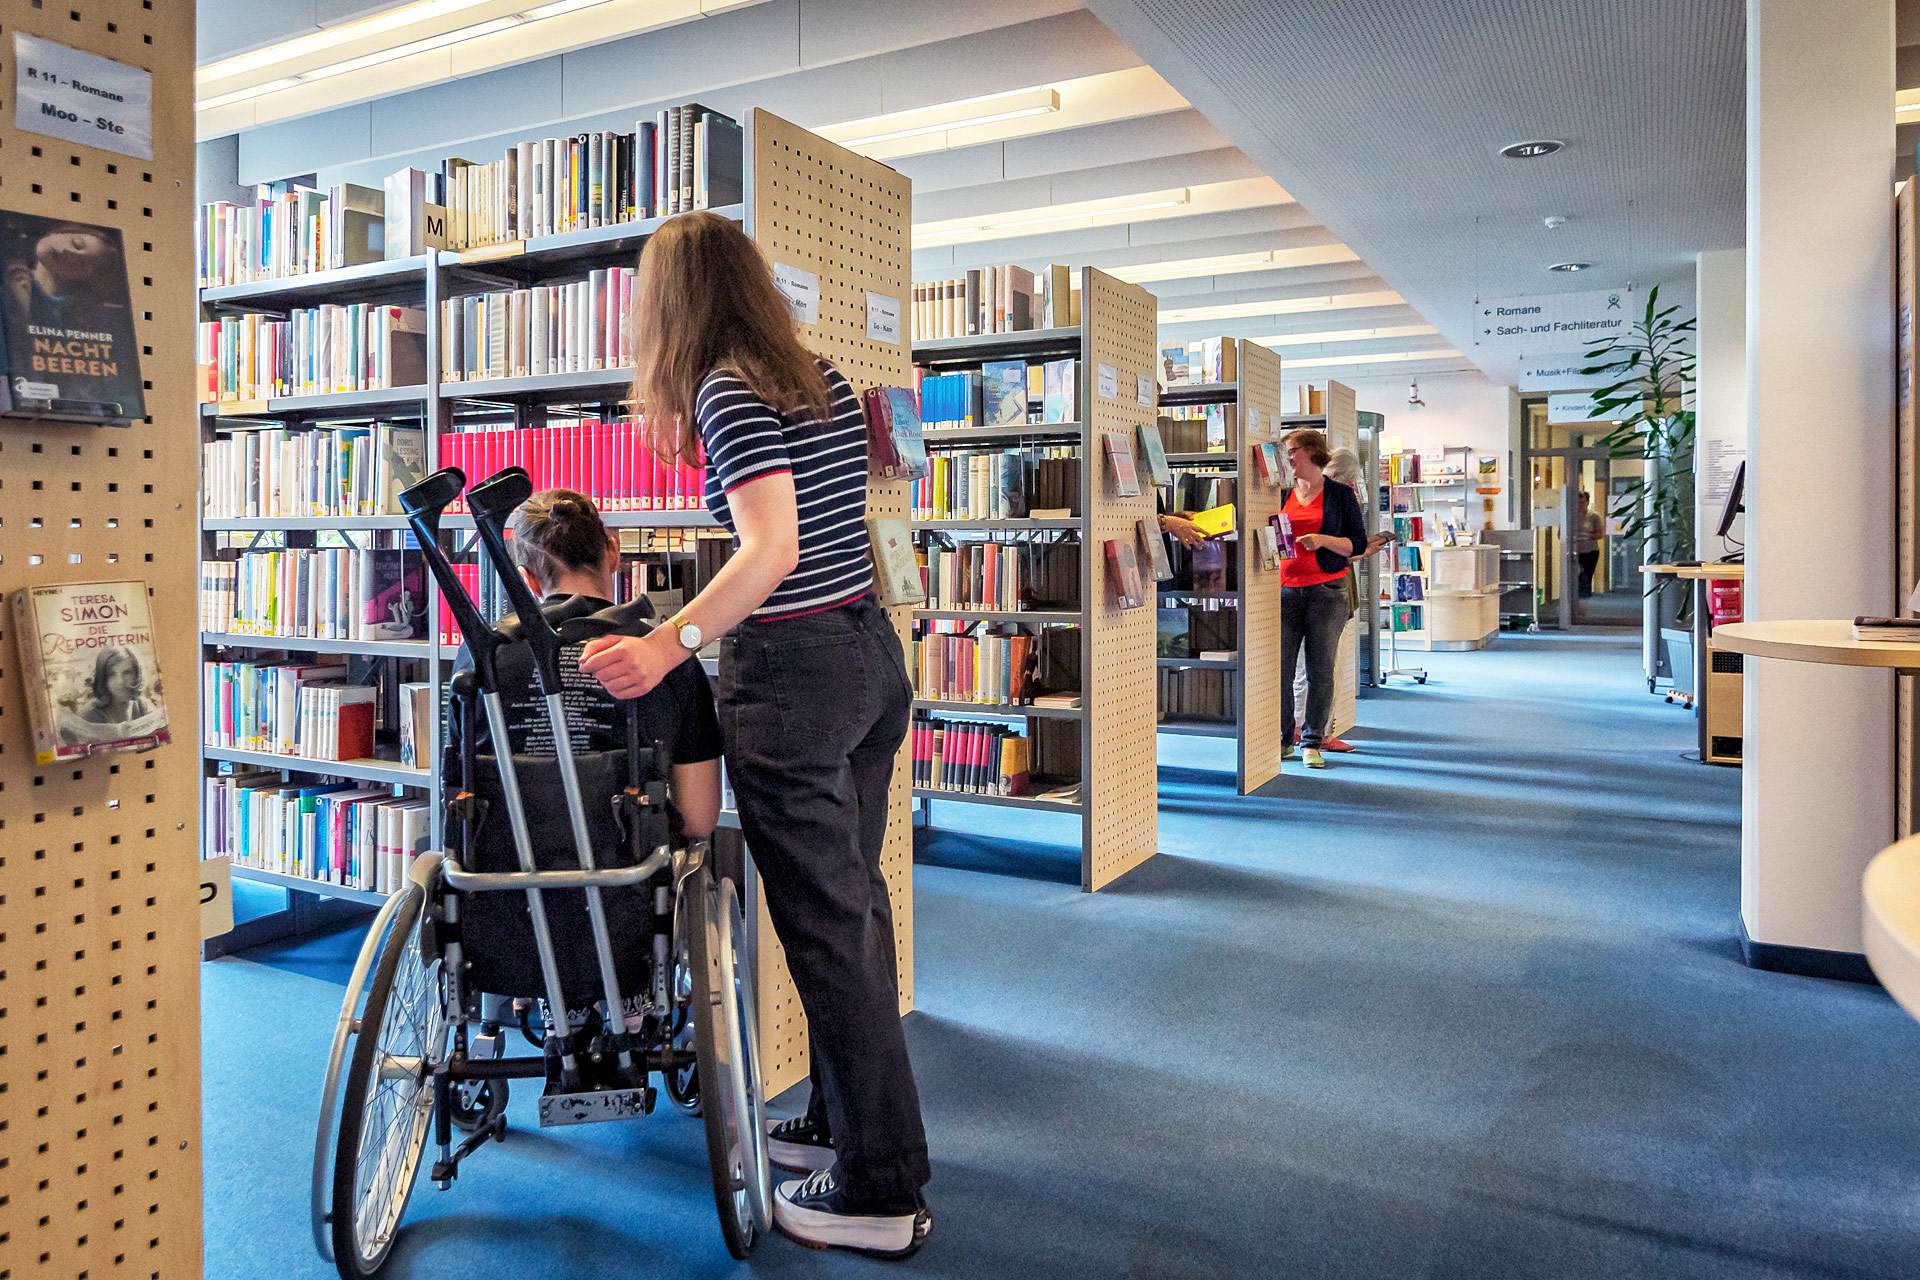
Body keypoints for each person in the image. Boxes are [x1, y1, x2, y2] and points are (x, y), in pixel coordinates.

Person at [576, 211, 930, 1257]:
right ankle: (838, 1117)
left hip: (797, 676)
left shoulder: (725, 389)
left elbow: (770, 547)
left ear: (672, 301)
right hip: (866, 655)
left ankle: (880, 1182)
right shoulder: (808, 370)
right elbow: (827, 533)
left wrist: (669, 645)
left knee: (829, 924)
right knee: (851, 905)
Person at [457, 487, 721, 837]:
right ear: (613, 552)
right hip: (630, 880)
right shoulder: (667, 657)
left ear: (528, 579)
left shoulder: (481, 653)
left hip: (499, 879)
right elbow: (697, 818)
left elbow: (460, 785)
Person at [1280, 428, 1372, 769]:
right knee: (1282, 671)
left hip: (1326, 591)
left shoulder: (1339, 495)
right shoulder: (1280, 493)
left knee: (1320, 671)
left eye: (1292, 450)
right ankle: (1283, 739)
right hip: (1285, 589)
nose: (1288, 457)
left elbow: (1357, 545)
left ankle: (1312, 742)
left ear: (1310, 452)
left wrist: (1322, 540)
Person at [1292, 448, 1391, 753]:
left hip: (1333, 589)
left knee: (1321, 668)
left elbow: (1337, 549)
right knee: (1309, 669)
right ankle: (1306, 731)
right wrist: (1353, 549)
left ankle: (1316, 731)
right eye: (1346, 482)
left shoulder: (1334, 500)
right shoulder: (1310, 502)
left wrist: (1360, 549)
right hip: (1311, 590)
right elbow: (1315, 550)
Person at [82, 648, 153, 724]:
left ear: (136, 675)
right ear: (102, 678)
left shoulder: (143, 706)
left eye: (127, 673)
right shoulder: (91, 713)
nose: (120, 681)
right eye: (111, 674)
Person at [1574, 490, 1604, 599]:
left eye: (1582, 502)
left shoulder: (1594, 516)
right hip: (1576, 550)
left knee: (1587, 574)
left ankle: (1584, 597)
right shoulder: (1572, 517)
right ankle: (1578, 596)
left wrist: (1587, 536)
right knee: (1578, 574)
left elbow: (1600, 534)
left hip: (1591, 550)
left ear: (1587, 502)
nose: (1580, 505)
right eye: (1578, 503)